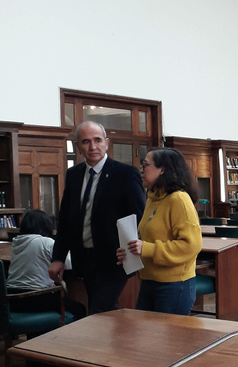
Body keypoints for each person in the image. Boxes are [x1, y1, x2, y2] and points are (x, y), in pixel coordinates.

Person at [49, 122, 146, 314]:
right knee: (105, 312)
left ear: (107, 143)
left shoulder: (125, 174)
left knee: (98, 312)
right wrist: (58, 257)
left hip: (116, 260)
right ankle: (117, 343)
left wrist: (138, 248)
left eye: (97, 140)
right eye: (86, 142)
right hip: (84, 259)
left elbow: (140, 217)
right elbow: (66, 220)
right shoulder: (74, 174)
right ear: (78, 146)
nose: (92, 147)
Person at [117, 147, 202, 315]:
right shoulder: (152, 199)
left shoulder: (179, 199)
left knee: (169, 339)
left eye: (146, 165)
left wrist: (147, 248)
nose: (141, 169)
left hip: (174, 285)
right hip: (149, 281)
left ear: (162, 169)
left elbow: (191, 245)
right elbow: (147, 237)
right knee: (146, 337)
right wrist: (130, 251)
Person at [7, 209, 86, 320]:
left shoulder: (16, 243)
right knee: (79, 309)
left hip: (13, 299)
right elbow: (70, 263)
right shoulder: (45, 242)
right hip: (37, 297)